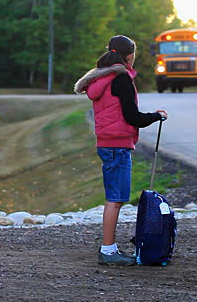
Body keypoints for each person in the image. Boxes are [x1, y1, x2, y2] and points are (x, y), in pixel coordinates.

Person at [74, 35, 168, 266]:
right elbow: (132, 117)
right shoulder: (121, 78)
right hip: (117, 145)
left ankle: (109, 248)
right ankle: (108, 251)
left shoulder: (102, 78)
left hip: (107, 143)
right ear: (129, 55)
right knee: (115, 200)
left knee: (114, 199)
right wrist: (157, 116)